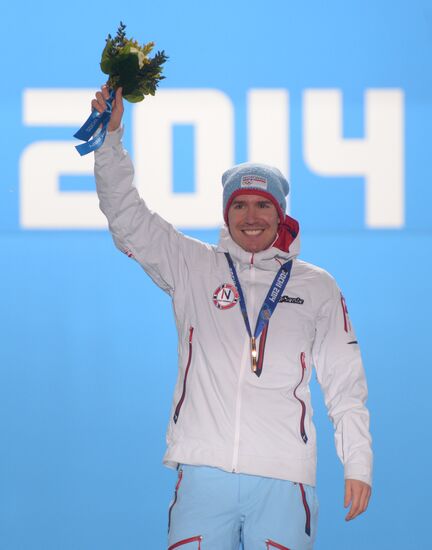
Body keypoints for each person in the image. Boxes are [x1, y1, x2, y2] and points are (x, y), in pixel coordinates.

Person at [92, 85, 372, 550]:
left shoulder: (316, 285)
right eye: (239, 204)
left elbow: (346, 382)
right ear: (227, 214)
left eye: (263, 205)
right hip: (203, 472)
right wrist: (111, 138)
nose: (251, 216)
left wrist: (358, 462)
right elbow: (126, 215)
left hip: (284, 478)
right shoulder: (192, 264)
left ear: (281, 214)